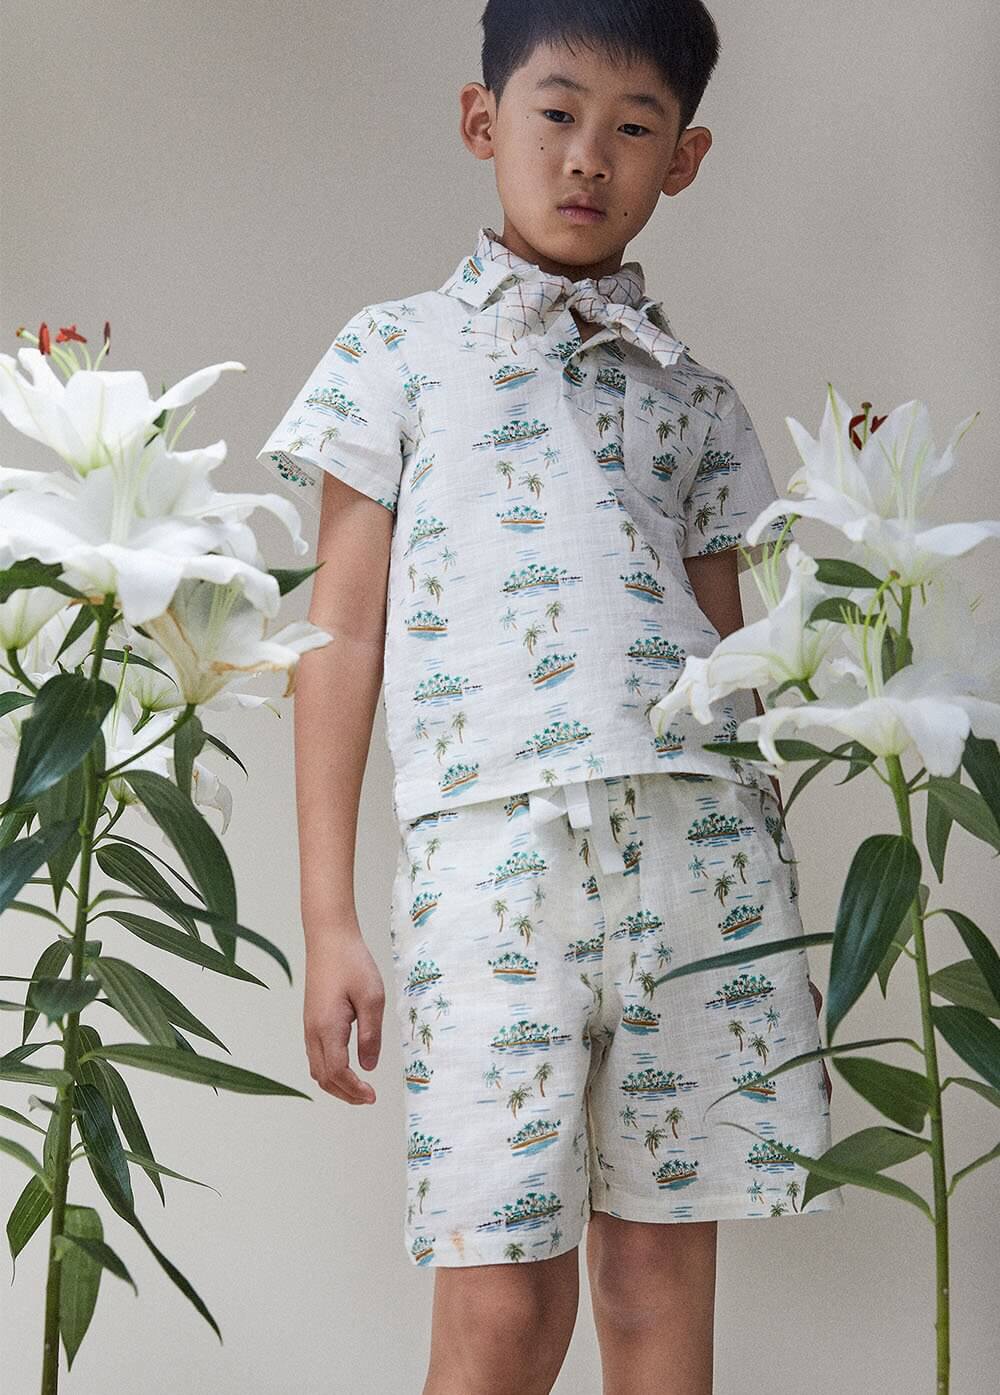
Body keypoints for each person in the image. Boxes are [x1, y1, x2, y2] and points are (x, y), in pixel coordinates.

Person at [256, 3, 844, 1390]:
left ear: (682, 160)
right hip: (492, 861)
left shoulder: (700, 403)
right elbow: (340, 639)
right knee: (502, 1310)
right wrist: (329, 915)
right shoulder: (394, 354)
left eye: (633, 128)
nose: (589, 156)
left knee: (654, 1292)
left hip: (700, 861)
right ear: (484, 121)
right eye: (558, 113)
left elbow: (729, 657)